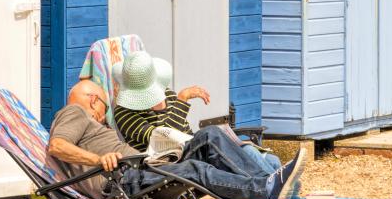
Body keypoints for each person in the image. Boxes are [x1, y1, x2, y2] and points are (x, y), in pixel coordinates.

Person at [48, 79, 306, 199]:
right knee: (197, 169)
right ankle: (272, 192)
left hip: (145, 168)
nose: (105, 117)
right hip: (127, 180)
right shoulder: (74, 112)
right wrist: (98, 160)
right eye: (104, 108)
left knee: (210, 136)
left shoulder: (86, 121)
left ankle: (271, 188)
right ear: (94, 100)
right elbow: (57, 145)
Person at [111, 53, 280, 175]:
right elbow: (165, 139)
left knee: (272, 161)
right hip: (171, 162)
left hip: (195, 151)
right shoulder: (124, 112)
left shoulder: (167, 94)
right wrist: (182, 100)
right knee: (216, 137)